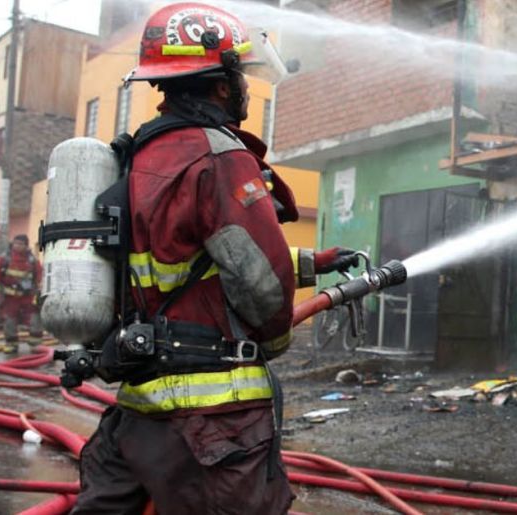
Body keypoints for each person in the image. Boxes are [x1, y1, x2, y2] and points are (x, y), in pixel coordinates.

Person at [73, 4, 355, 513]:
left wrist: (312, 262)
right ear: (221, 84)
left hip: (141, 412)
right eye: (241, 74)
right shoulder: (218, 157)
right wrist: (275, 336)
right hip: (212, 422)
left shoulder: (140, 155)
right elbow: (259, 283)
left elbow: (185, 266)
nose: (246, 86)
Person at [0, 235, 43, 352]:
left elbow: (39, 277)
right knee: (9, 320)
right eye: (15, 243)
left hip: (28, 296)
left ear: (26, 246)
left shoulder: (33, 261)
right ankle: (11, 344)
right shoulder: (5, 259)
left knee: (35, 318)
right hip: (10, 297)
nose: (17, 246)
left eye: (20, 244)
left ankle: (35, 344)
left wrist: (39, 291)